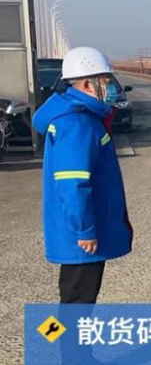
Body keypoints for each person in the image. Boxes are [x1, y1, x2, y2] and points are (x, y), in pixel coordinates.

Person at [32, 47, 133, 303]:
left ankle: (57, 331)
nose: (112, 87)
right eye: (106, 81)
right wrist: (85, 230)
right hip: (83, 236)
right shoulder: (78, 124)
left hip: (80, 231)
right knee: (77, 304)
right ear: (88, 84)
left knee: (74, 301)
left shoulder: (79, 118)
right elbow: (72, 183)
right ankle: (60, 332)